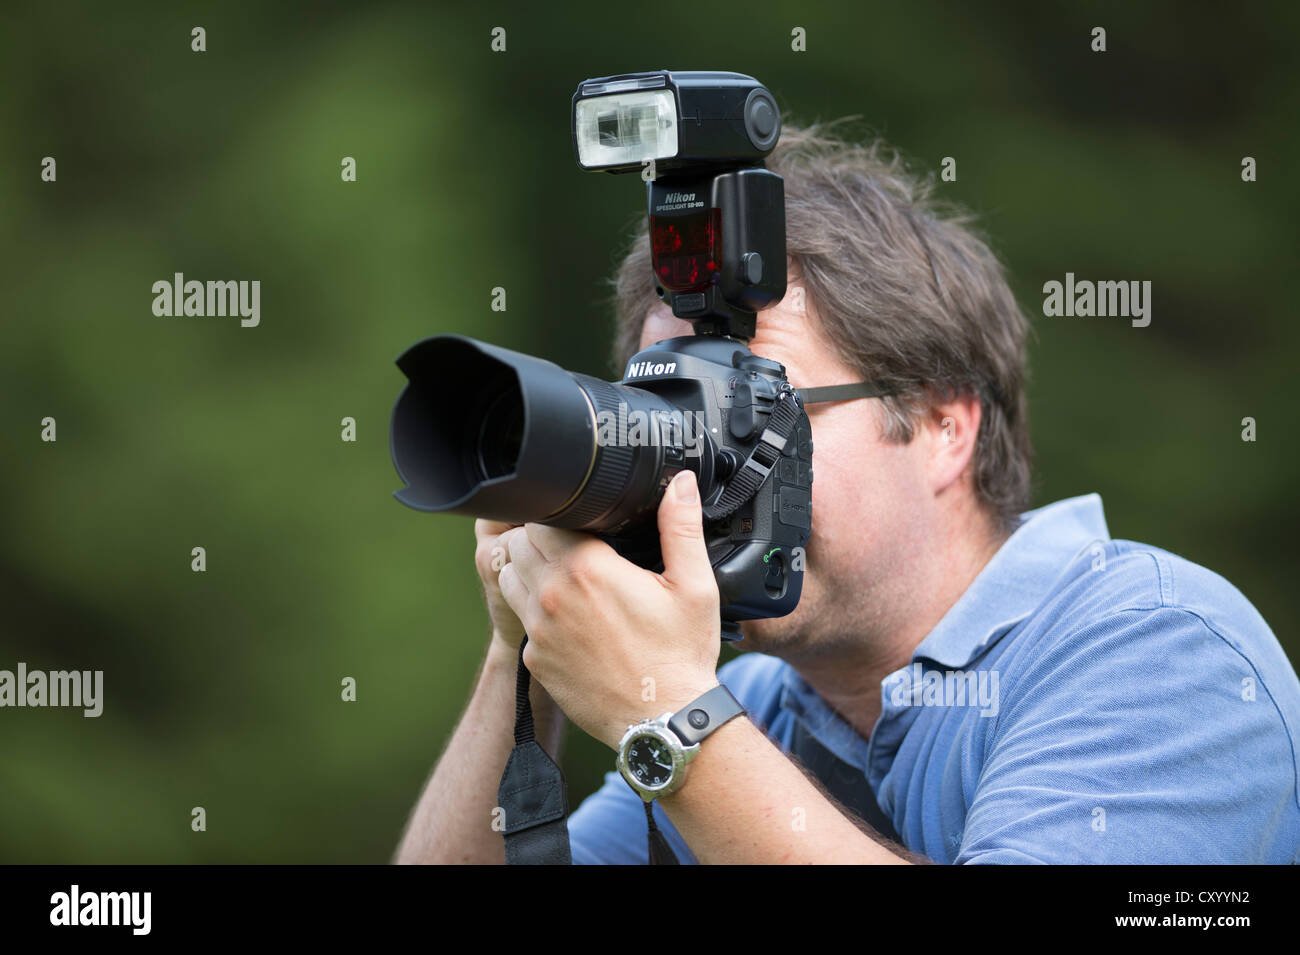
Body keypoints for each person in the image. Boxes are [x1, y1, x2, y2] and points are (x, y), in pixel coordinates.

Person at [394, 121, 1300, 864]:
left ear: (946, 425)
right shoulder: (756, 705)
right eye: (665, 408)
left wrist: (673, 716)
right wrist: (524, 653)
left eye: (753, 409)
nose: (691, 471)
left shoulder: (1160, 649)